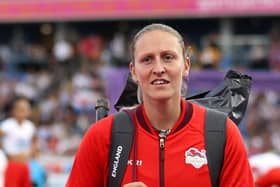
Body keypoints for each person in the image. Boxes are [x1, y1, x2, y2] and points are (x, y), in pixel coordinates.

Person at [66, 23, 254, 187]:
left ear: (186, 66)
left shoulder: (222, 134)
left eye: (168, 57)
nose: (158, 69)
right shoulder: (102, 136)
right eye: (147, 59)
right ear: (133, 71)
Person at [0, 96, 36, 187]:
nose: (22, 112)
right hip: (12, 163)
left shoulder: (30, 126)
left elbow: (34, 140)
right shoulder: (8, 125)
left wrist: (32, 152)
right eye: (20, 109)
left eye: (25, 110)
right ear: (13, 111)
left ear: (29, 112)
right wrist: (5, 153)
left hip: (25, 164)